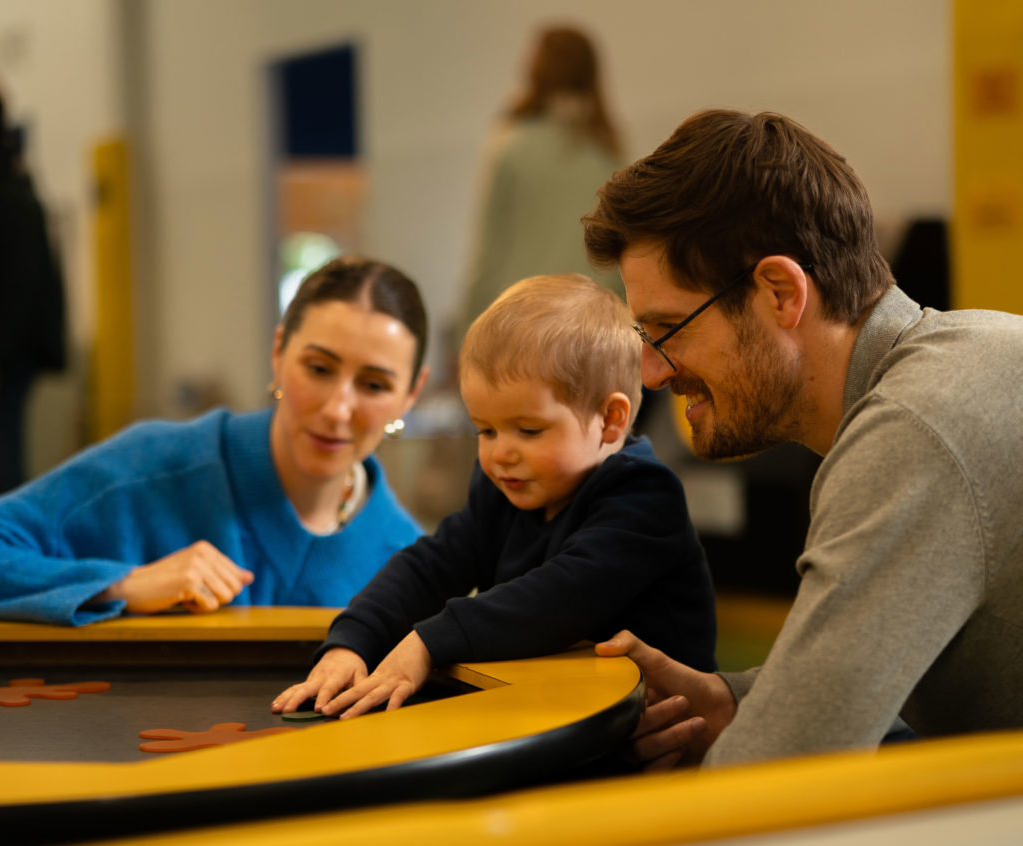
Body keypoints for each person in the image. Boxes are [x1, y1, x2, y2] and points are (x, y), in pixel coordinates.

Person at [581, 108, 1023, 768]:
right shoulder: (979, 348)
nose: (651, 371)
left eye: (668, 330)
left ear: (780, 292)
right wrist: (742, 701)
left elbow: (774, 782)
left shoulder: (912, 434)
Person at [271, 274, 716, 719]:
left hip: (664, 743)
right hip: (557, 719)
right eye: (485, 429)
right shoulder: (504, 490)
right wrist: (352, 642)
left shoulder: (643, 498)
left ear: (610, 419)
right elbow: (430, 566)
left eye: (528, 430)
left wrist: (429, 641)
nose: (500, 453)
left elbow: (558, 598)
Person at [0, 256, 429, 625]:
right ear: (278, 352)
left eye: (374, 385)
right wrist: (122, 584)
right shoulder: (151, 469)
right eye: (318, 369)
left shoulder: (411, 565)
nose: (337, 408)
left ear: (411, 393)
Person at [455, 25, 626, 344]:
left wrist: (466, 334)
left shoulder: (509, 145)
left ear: (534, 71)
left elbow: (487, 253)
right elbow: (624, 257)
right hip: (596, 330)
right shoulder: (610, 150)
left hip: (522, 328)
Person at [0, 90, 67, 494]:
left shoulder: (13, 192)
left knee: (5, 463)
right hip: (13, 351)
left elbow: (20, 291)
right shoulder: (16, 181)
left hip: (10, 356)